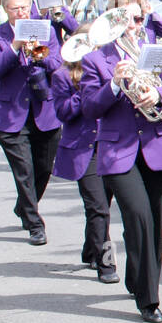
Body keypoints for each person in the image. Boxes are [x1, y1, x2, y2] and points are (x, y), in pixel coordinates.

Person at [79, 0, 162, 321]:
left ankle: (139, 279)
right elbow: (89, 108)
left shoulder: (156, 52)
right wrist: (114, 84)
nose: (132, 26)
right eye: (124, 20)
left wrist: (157, 92)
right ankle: (149, 300)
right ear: (112, 22)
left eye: (138, 19)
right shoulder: (96, 59)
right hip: (117, 151)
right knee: (138, 217)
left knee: (152, 222)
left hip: (155, 147)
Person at [0, 0, 64, 245]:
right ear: (5, 10)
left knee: (43, 169)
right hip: (12, 114)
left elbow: (57, 65)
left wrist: (38, 52)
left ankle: (24, 206)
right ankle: (34, 224)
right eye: (15, 8)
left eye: (25, 7)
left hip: (44, 111)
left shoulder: (46, 29)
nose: (21, 12)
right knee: (24, 171)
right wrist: (14, 47)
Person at [52, 23, 119, 285]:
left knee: (101, 206)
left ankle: (90, 249)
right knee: (99, 208)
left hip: (110, 146)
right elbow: (63, 113)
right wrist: (85, 91)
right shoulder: (62, 75)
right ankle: (106, 263)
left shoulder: (108, 68)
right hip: (84, 148)